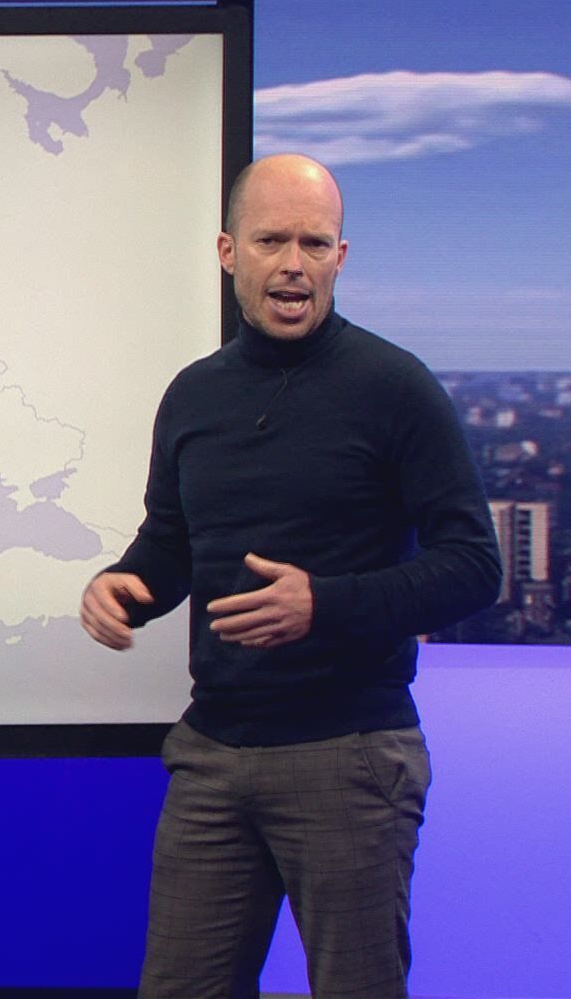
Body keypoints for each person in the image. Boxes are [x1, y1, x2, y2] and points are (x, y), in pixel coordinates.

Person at [79, 154, 501, 999]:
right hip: (212, 754)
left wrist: (324, 604)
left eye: (314, 243)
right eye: (272, 241)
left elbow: (473, 566)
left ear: (340, 258)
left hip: (349, 756)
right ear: (229, 252)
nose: (294, 264)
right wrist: (125, 584)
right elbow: (173, 541)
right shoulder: (194, 395)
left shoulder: (395, 387)